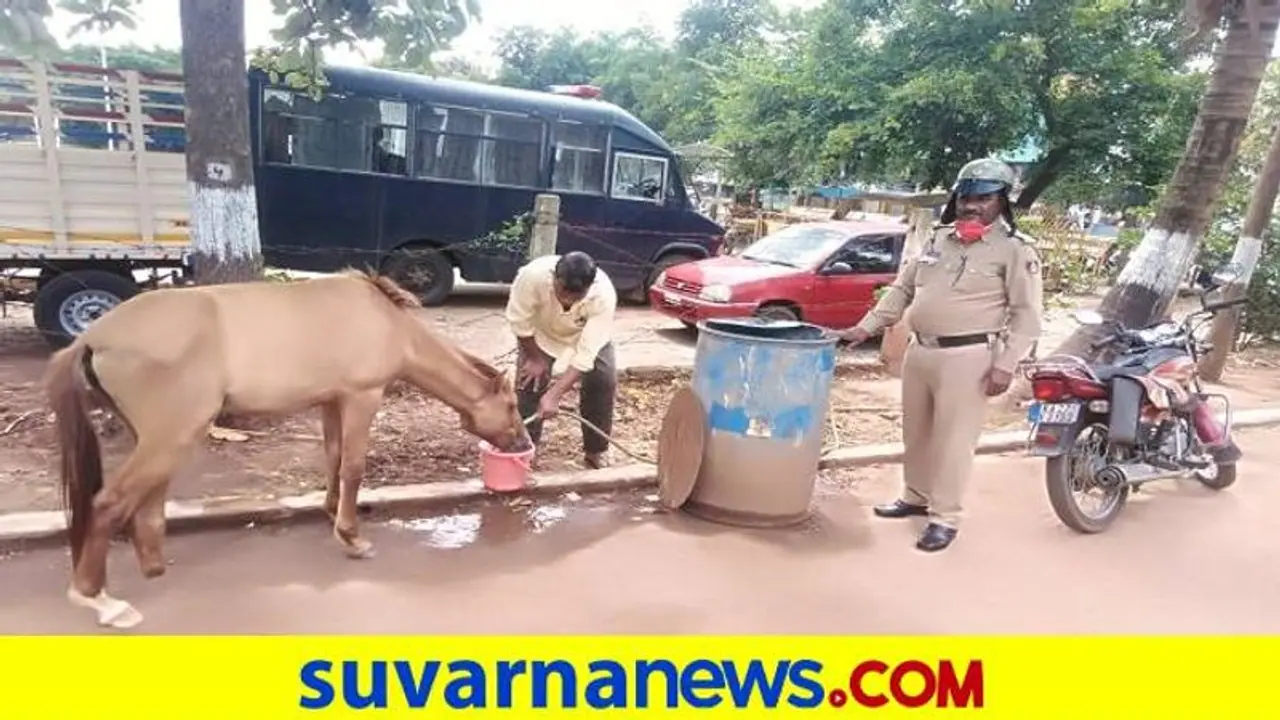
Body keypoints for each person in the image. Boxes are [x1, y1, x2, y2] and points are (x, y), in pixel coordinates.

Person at [839, 158, 1044, 552]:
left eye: (983, 198)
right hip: (922, 351)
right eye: (966, 197)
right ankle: (914, 496)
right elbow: (903, 289)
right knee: (915, 432)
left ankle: (944, 517)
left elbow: (1026, 315)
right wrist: (866, 327)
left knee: (954, 441)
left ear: (1002, 201)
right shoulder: (938, 239)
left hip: (969, 356)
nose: (972, 206)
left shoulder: (1016, 250)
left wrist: (1006, 366)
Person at [505, 251, 618, 469]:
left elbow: (586, 354)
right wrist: (535, 359)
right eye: (563, 291)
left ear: (589, 287)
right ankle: (526, 450)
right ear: (554, 277)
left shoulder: (604, 294)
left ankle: (597, 450)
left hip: (585, 335)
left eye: (576, 296)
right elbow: (520, 321)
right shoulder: (532, 276)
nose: (567, 299)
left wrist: (555, 394)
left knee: (603, 380)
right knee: (530, 381)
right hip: (541, 334)